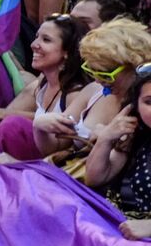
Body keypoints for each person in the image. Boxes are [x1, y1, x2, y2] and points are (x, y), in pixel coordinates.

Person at [35, 17, 151, 160]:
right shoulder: (93, 90)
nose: (97, 79)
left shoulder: (144, 107)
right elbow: (55, 146)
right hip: (69, 173)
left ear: (133, 66)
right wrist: (39, 127)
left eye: (105, 74)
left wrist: (105, 142)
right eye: (91, 71)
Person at [0, 14, 84, 161]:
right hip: (27, 162)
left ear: (67, 52)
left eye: (46, 40)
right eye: (37, 37)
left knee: (12, 125)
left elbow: (60, 149)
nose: (33, 44)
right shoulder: (42, 82)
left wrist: (18, 163)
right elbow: (13, 113)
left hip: (47, 172)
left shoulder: (75, 93)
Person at [86, 69, 151, 240]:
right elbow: (95, 178)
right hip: (118, 228)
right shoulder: (138, 137)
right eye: (149, 102)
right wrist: (106, 138)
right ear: (136, 106)